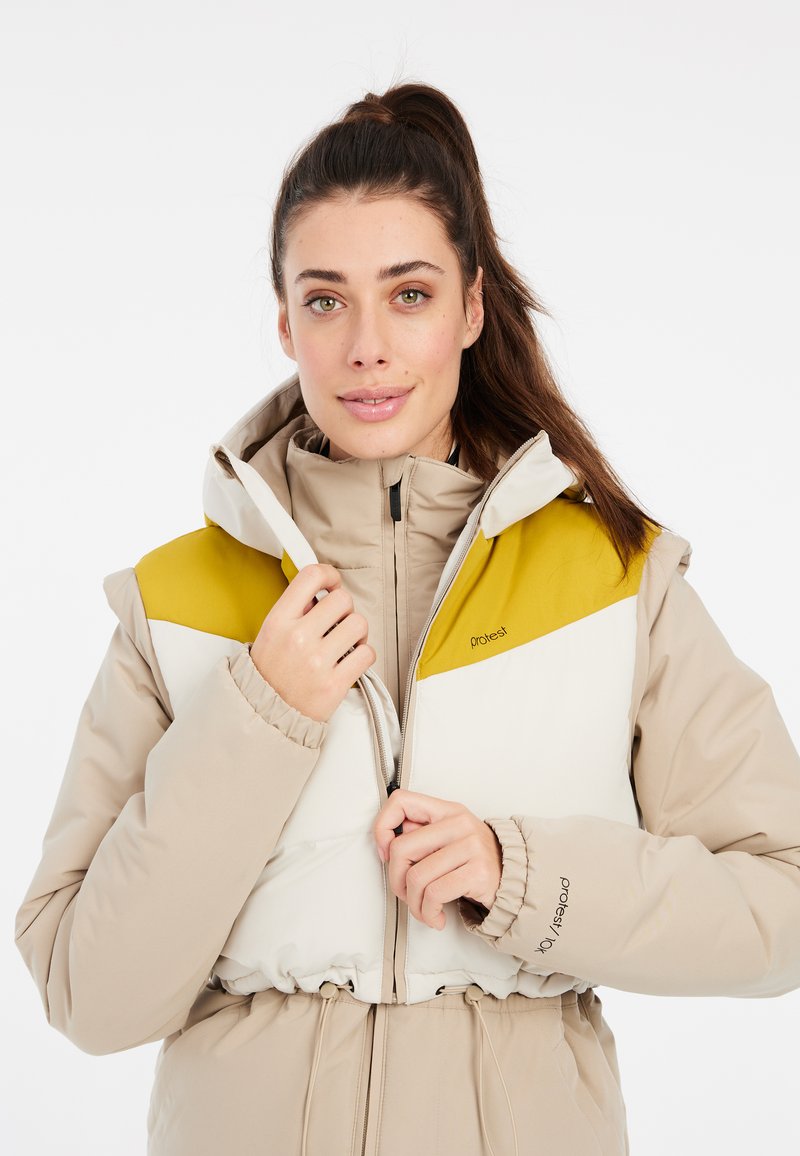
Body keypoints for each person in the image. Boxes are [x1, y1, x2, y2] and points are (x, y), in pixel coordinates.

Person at [13, 79, 800, 1156]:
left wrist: (518, 876)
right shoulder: (176, 600)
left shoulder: (617, 582)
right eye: (326, 301)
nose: (367, 347)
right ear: (285, 323)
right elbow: (88, 993)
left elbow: (779, 903)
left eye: (410, 294)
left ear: (471, 308)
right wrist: (260, 715)